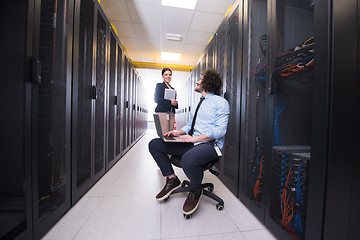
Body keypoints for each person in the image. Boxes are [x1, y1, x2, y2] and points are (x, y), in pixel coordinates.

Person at [148, 69, 230, 215]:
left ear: (207, 83)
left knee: (188, 159)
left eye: (200, 79)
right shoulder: (198, 102)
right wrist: (177, 132)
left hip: (210, 145)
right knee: (155, 144)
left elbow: (220, 131)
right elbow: (190, 126)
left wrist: (195, 139)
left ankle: (195, 190)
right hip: (192, 143)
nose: (197, 81)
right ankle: (172, 179)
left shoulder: (221, 103)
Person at [154, 68, 178, 135]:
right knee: (164, 133)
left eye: (170, 75)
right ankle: (162, 145)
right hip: (163, 112)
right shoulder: (159, 86)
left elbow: (173, 100)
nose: (168, 76)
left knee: (170, 133)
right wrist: (170, 102)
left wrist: (175, 103)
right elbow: (156, 99)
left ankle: (168, 146)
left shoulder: (173, 88)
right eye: (166, 74)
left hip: (171, 112)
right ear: (162, 76)